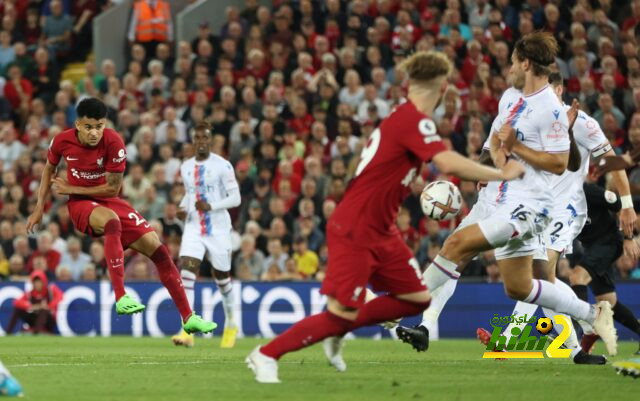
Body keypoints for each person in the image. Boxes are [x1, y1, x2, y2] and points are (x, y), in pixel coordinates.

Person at [245, 50, 526, 383]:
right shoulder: (412, 119)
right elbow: (447, 163)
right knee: (340, 314)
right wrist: (502, 174)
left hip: (381, 230)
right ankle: (266, 354)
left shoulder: (403, 117)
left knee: (416, 299)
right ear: (438, 86)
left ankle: (339, 328)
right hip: (356, 228)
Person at [394, 32, 618, 358]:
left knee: (456, 245)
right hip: (502, 197)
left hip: (531, 205)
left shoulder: (551, 110)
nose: (509, 69)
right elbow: (496, 146)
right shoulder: (510, 98)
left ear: (526, 63)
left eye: (513, 62)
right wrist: (491, 167)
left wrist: (517, 147)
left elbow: (559, 164)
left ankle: (395, 310)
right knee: (521, 287)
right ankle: (591, 316)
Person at [26, 97, 216, 335]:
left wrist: (72, 188)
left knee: (160, 251)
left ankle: (188, 317)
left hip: (107, 198)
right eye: (88, 127)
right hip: (80, 205)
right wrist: (38, 208)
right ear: (77, 125)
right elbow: (48, 169)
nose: (94, 132)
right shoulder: (61, 141)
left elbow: (112, 189)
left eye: (99, 126)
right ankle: (120, 296)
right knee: (111, 222)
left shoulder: (114, 141)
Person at [171, 122, 241, 349]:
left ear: (210, 140)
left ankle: (231, 323)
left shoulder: (223, 166)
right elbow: (190, 195)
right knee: (187, 270)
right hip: (193, 228)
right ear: (193, 141)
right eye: (197, 137)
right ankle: (188, 329)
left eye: (205, 137)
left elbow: (235, 198)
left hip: (219, 229)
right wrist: (182, 208)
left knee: (222, 280)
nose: (201, 141)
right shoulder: (186, 166)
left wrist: (211, 206)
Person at [571, 179, 640, 355]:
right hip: (591, 248)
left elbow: (622, 208)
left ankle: (586, 331)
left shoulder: (587, 191)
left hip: (609, 242)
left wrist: (629, 238)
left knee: (577, 277)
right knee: (608, 302)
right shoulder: (558, 196)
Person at [6, 270, 63, 335]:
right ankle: (8, 332)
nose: (37, 284)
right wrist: (31, 306)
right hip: (35, 319)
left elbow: (60, 296)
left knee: (43, 310)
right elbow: (16, 302)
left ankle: (36, 333)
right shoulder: (30, 294)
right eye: (35, 282)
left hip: (49, 320)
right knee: (18, 309)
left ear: (44, 282)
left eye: (39, 282)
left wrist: (48, 306)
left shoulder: (51, 289)